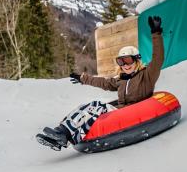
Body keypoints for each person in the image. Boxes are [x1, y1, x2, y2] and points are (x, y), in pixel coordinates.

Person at [36, 16, 165, 151]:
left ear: (136, 61)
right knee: (85, 107)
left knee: (96, 106)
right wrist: (83, 78)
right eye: (121, 62)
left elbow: (158, 58)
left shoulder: (147, 75)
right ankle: (60, 133)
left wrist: (156, 33)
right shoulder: (121, 80)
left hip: (135, 111)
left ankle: (63, 135)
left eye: (128, 60)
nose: (125, 65)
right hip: (120, 112)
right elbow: (103, 82)